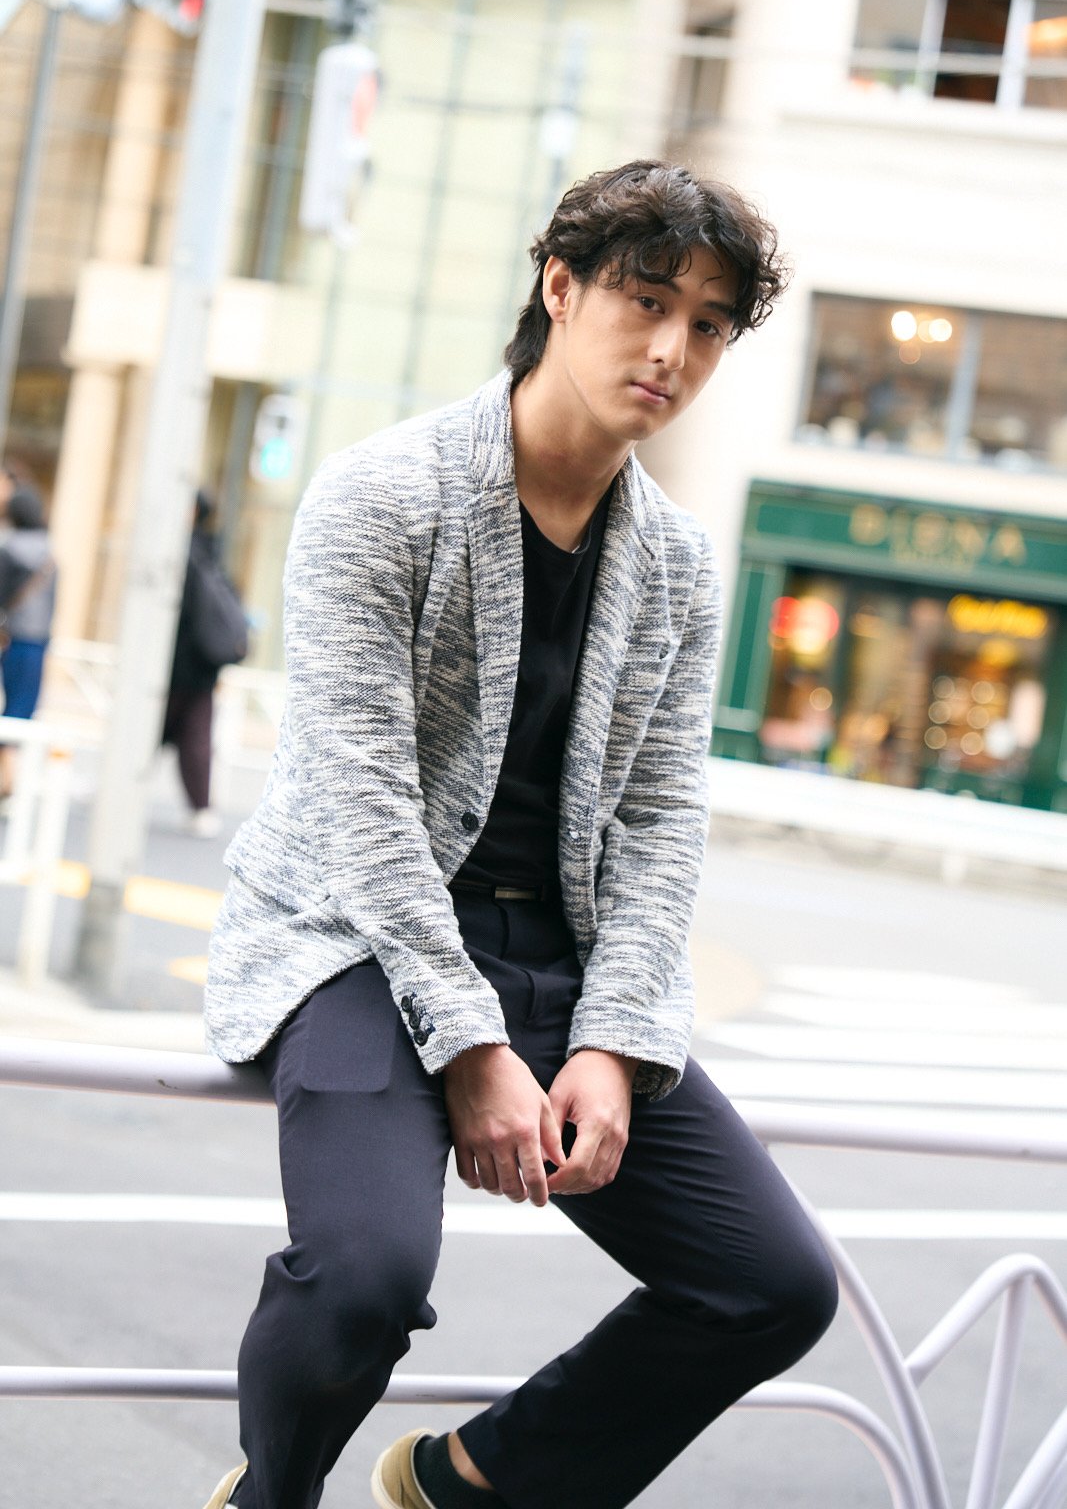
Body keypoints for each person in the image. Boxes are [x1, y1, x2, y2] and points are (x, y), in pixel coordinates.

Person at [201, 160, 838, 1509]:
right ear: (558, 287)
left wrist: (613, 1040)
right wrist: (471, 1046)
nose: (670, 351)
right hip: (356, 943)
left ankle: (473, 1485)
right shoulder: (383, 495)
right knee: (364, 1279)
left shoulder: (676, 562)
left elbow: (659, 821)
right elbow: (359, 802)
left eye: (707, 325)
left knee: (770, 1283)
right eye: (644, 300)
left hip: (558, 961)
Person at [163, 489, 247, 839]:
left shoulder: (179, 550)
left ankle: (115, 785)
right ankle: (202, 809)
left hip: (175, 663)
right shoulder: (211, 550)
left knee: (148, 726)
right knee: (195, 736)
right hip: (203, 665)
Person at [0, 483, 57, 801]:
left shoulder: (10, 549)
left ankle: (7, 779)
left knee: (11, 710)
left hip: (11, 637)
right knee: (23, 708)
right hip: (37, 640)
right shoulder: (49, 551)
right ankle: (10, 777)